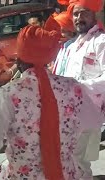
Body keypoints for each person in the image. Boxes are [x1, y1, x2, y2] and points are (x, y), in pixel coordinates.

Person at [0, 25, 104, 180]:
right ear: (49, 58)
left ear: (19, 59)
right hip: (66, 174)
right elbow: (94, 122)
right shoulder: (73, 87)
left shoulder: (7, 94)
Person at [57, 0, 105, 178]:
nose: (78, 18)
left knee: (78, 162)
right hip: (69, 113)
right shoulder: (74, 45)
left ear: (94, 14)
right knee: (71, 161)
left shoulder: (101, 42)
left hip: (87, 112)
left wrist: (80, 86)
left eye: (83, 13)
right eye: (76, 14)